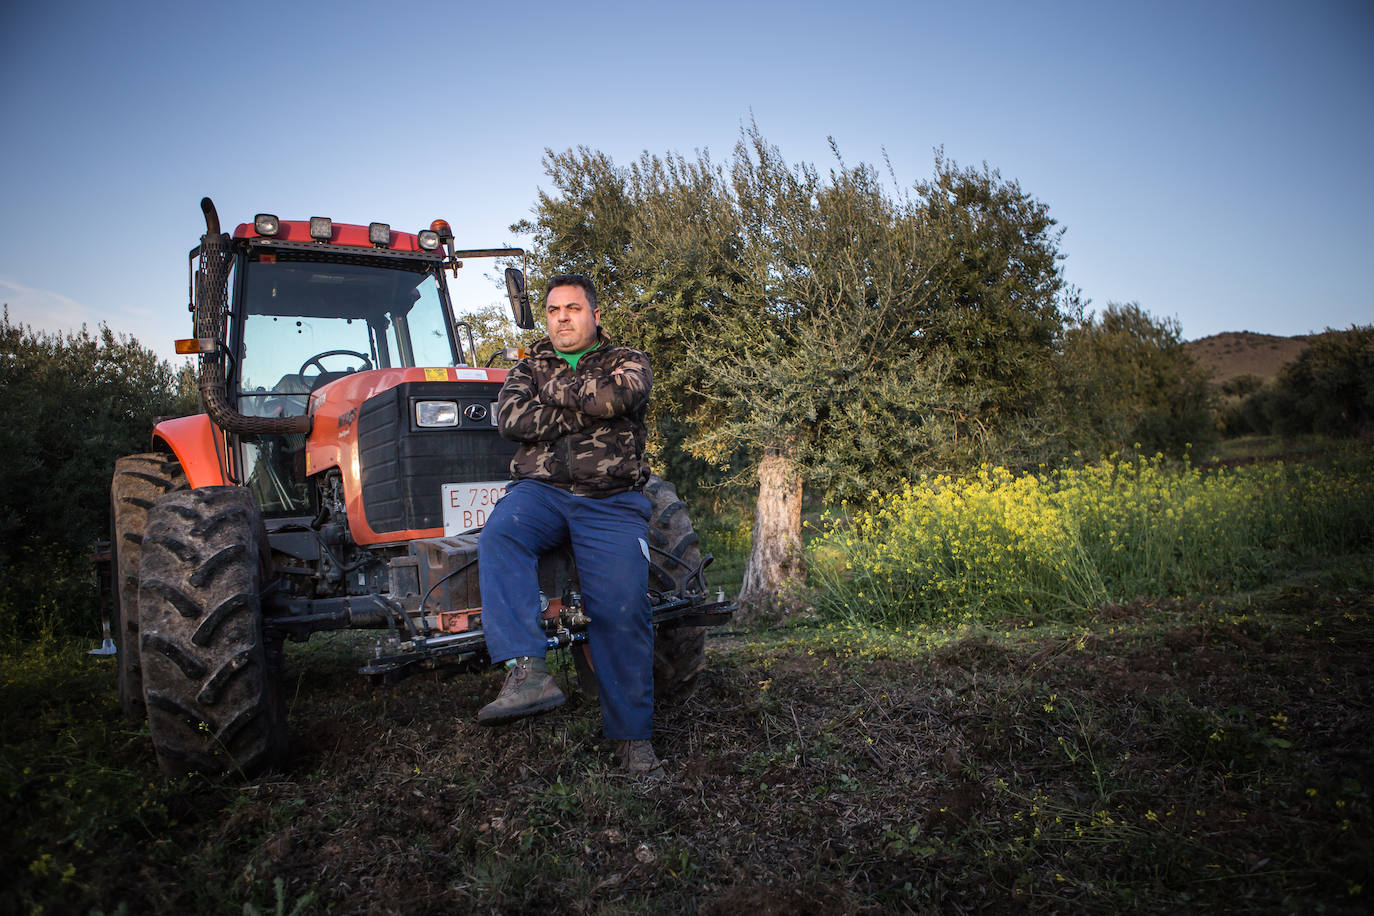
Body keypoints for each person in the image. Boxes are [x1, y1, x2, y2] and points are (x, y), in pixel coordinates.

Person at [475, 273, 663, 778]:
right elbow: (513, 421)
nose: (562, 317)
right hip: (541, 493)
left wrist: (557, 396)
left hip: (611, 499)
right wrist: (588, 408)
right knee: (500, 535)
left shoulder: (628, 360)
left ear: (595, 315)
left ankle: (633, 740)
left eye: (573, 309)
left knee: (623, 610)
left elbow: (617, 399)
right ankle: (528, 671)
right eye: (554, 309)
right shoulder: (526, 366)